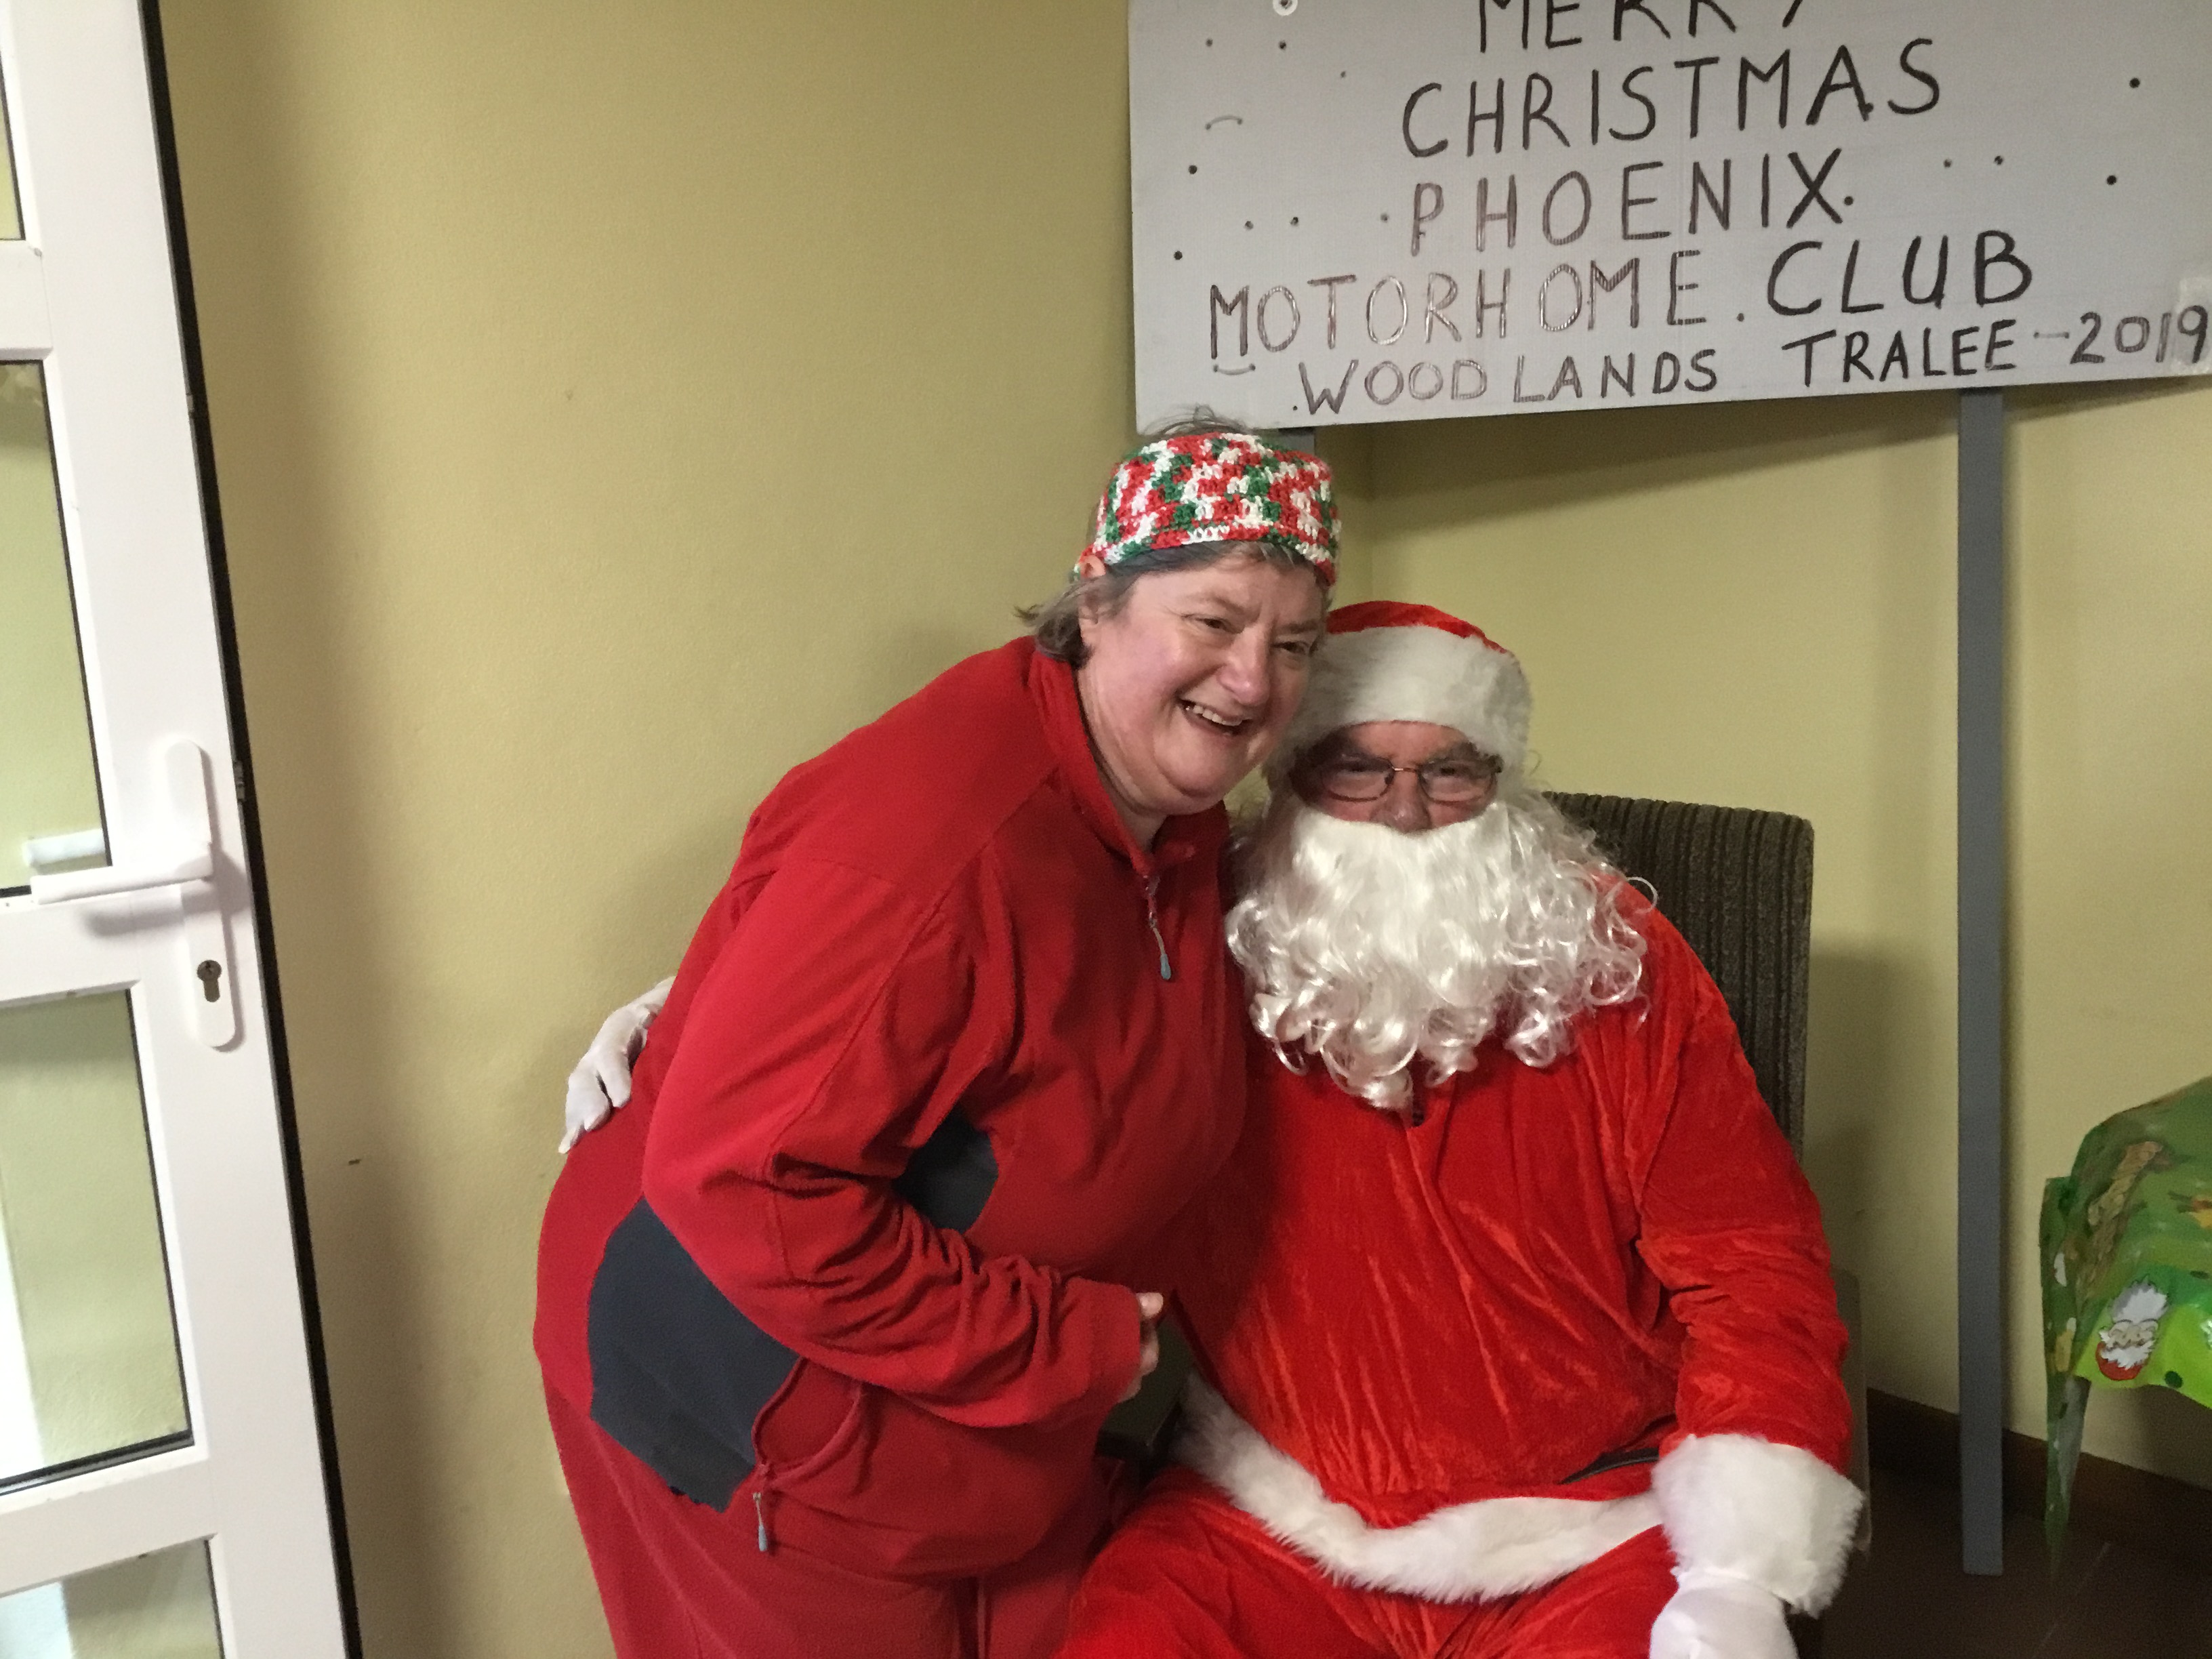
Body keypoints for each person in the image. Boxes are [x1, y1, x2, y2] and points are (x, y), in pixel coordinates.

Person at [569, 602, 1860, 1659]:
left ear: (1500, 782)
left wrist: (1739, 1570)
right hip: (1269, 1519)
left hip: (1586, 1525)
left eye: (1450, 769)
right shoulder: (1213, 930)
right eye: (1358, 766)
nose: (1406, 809)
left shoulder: (1619, 961)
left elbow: (1754, 1266)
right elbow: (951, 966)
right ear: (1289, 780)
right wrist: (701, 1011)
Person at [533, 428, 1335, 1659]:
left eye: (1293, 645)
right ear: (1097, 604)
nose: (1253, 680)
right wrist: (1069, 1343)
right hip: (761, 1415)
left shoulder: (1161, 809)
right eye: (1214, 622)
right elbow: (744, 1181)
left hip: (982, 1426)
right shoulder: (940, 837)